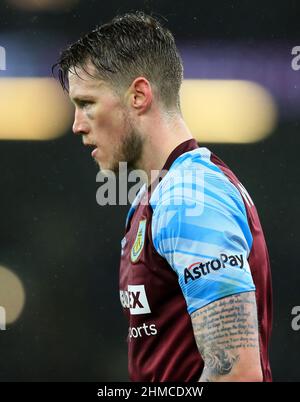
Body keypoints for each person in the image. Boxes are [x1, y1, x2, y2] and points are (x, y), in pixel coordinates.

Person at [53, 11, 272, 382]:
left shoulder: (191, 200)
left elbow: (236, 373)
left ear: (138, 95)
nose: (76, 124)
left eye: (86, 103)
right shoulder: (154, 199)